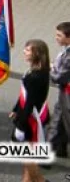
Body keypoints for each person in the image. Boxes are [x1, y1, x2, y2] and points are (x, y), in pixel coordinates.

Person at [11, 39, 51, 182]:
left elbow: (29, 102)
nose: (24, 51)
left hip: (31, 119)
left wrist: (21, 126)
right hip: (32, 114)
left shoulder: (35, 76)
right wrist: (16, 109)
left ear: (37, 54)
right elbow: (25, 95)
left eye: (28, 50)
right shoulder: (38, 71)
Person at [49, 21, 70, 161]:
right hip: (65, 92)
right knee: (61, 121)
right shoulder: (66, 50)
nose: (56, 38)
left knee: (57, 122)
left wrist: (50, 69)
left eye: (59, 35)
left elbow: (59, 77)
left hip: (67, 94)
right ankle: (60, 148)